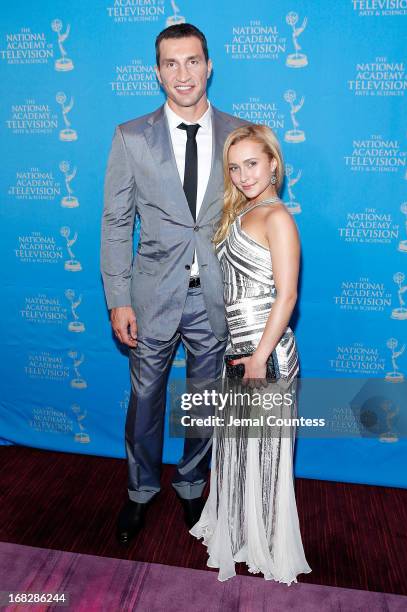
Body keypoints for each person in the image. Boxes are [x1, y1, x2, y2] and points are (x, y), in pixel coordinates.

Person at [100, 23, 248, 545]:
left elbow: (257, 218)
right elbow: (117, 223)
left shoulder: (240, 135)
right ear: (157, 72)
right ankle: (140, 491)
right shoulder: (131, 136)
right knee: (145, 402)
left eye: (192, 62)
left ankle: (191, 486)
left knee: (204, 400)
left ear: (209, 66)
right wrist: (118, 299)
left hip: (215, 296)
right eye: (171, 63)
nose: (183, 74)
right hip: (151, 294)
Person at [190, 125, 312, 585]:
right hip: (238, 352)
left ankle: (266, 543)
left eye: (253, 164)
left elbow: (286, 296)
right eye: (235, 167)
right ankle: (240, 532)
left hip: (267, 355)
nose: (243, 175)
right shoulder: (243, 210)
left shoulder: (277, 217)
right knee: (239, 450)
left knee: (265, 454)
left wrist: (260, 357)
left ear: (274, 164)